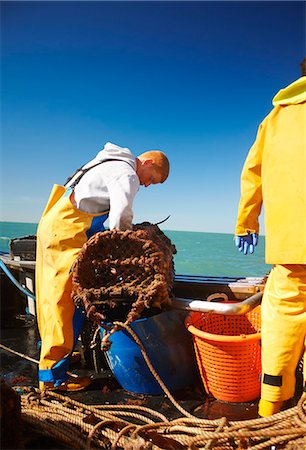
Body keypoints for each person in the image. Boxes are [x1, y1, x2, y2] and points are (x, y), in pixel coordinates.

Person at [36, 142, 170, 391]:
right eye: (152, 179)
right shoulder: (127, 173)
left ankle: (55, 358)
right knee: (63, 301)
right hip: (67, 233)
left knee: (52, 297)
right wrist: (126, 250)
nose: (148, 185)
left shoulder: (108, 162)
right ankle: (53, 377)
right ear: (148, 163)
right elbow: (120, 218)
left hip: (56, 224)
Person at [234, 63, 306, 417]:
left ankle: (270, 404)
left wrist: (246, 222)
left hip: (291, 246)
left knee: (281, 318)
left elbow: (253, 172)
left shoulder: (275, 119)